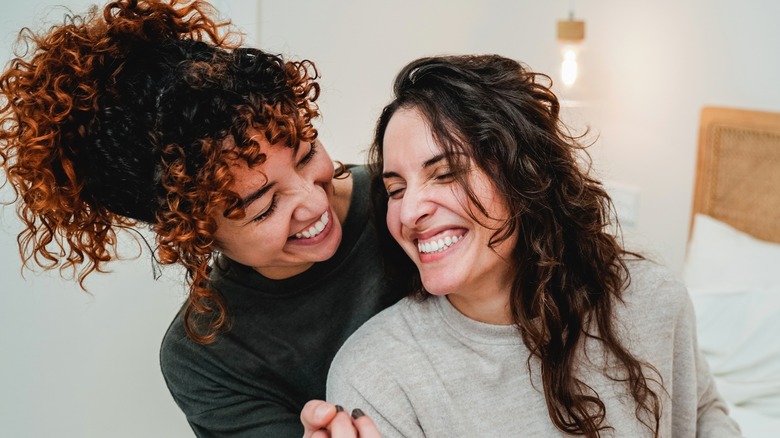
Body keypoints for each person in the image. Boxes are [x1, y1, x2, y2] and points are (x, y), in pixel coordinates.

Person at [0, 0, 402, 436]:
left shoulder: (405, 200)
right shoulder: (208, 356)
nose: (314, 202)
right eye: (264, 206)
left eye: (306, 155)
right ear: (194, 234)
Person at [326, 54, 743, 437]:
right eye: (395, 189)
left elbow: (703, 412)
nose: (409, 210)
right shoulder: (375, 377)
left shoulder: (651, 299)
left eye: (446, 173)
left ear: (522, 174)